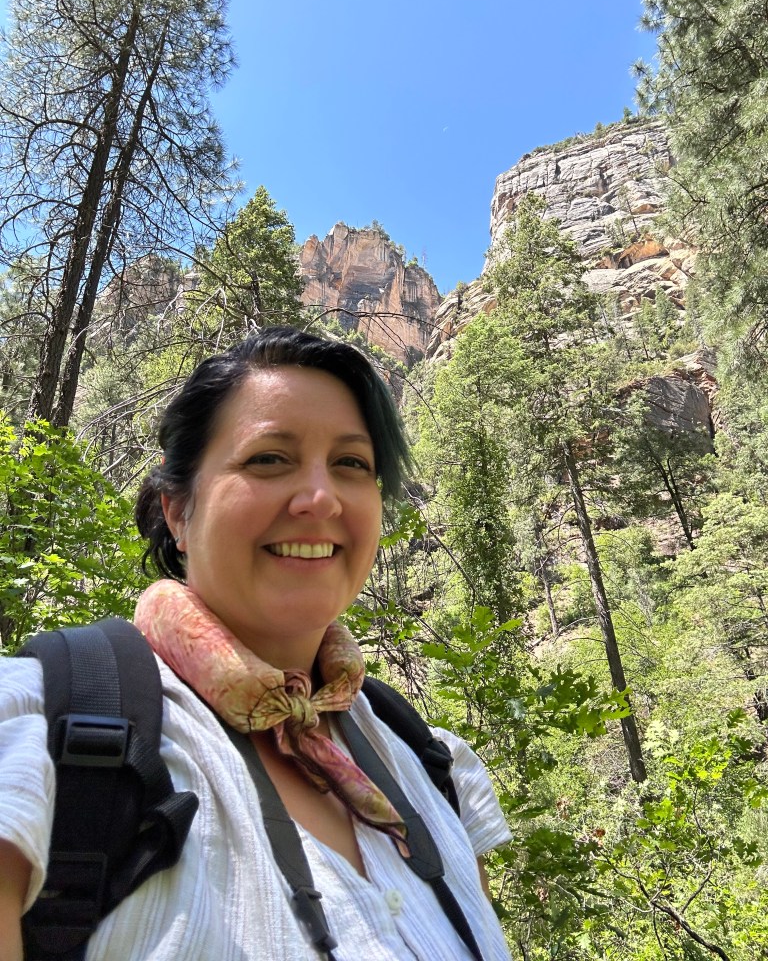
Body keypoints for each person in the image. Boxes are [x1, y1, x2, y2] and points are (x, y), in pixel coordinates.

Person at [0, 326, 512, 960]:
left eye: (352, 464)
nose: (321, 498)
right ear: (178, 511)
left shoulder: (434, 767)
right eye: (269, 459)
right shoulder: (39, 734)